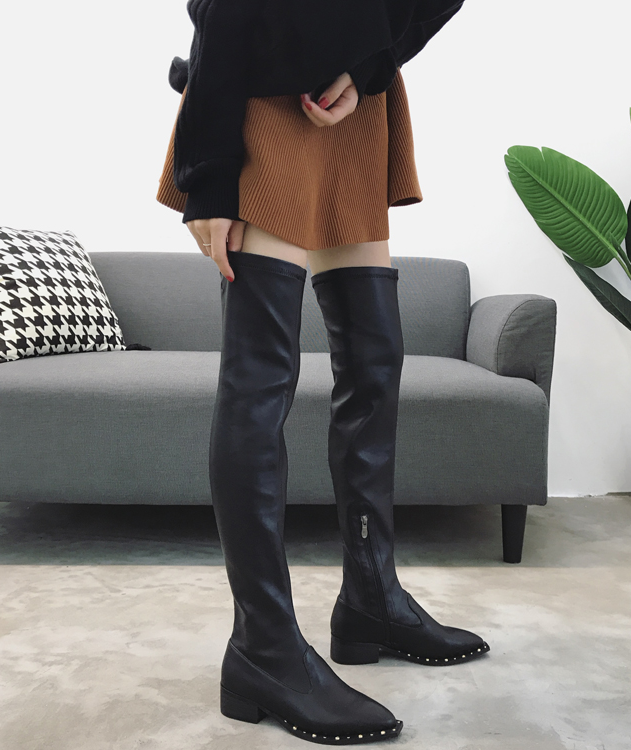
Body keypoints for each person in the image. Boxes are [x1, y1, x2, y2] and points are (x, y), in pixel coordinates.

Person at [156, 1, 489, 744]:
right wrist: (209, 174)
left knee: (374, 360)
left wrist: (369, 63)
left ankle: (371, 599)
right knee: (261, 377)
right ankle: (264, 647)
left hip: (354, 103)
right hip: (264, 94)